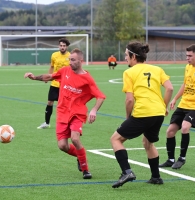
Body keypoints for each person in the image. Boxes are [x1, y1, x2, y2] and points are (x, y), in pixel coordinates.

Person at [24, 48, 106, 179]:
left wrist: (94, 110)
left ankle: (85, 170)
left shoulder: (87, 79)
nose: (70, 62)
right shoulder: (65, 71)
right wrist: (34, 77)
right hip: (62, 112)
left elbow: (100, 96)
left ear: (80, 61)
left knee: (75, 138)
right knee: (62, 146)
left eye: (73, 60)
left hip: (77, 113)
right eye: (69, 59)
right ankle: (80, 156)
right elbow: (50, 76)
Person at [111, 41, 173, 188]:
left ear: (133, 56)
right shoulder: (157, 69)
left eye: (126, 55)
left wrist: (128, 117)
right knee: (147, 142)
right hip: (158, 113)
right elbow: (169, 88)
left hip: (143, 112)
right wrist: (163, 106)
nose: (125, 58)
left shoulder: (129, 72)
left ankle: (127, 171)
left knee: (115, 139)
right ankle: (156, 177)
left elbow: (129, 99)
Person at [159, 44, 195, 170]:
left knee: (185, 127)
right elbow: (185, 85)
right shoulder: (188, 67)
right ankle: (170, 159)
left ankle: (182, 158)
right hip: (183, 104)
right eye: (186, 55)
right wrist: (175, 99)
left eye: (190, 56)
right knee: (170, 131)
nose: (187, 58)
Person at [37, 38, 71, 129]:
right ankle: (46, 123)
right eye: (61, 45)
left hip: (66, 85)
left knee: (66, 105)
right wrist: (48, 77)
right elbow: (52, 67)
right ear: (58, 46)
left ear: (67, 47)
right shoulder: (54, 55)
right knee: (49, 102)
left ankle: (69, 122)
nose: (62, 47)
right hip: (55, 83)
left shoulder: (71, 56)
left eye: (64, 46)